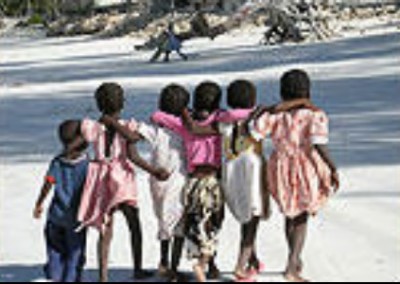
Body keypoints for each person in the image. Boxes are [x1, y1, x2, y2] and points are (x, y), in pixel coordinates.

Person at [181, 80, 314, 282]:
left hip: (231, 170)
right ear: (252, 99)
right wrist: (303, 102)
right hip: (251, 169)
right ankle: (240, 267)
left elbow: (196, 130)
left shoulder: (223, 119)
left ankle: (252, 260)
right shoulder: (259, 116)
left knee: (245, 217)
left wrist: (183, 110)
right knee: (252, 220)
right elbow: (277, 110)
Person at [69, 82, 169, 282]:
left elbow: (74, 147)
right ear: (122, 103)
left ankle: (103, 276)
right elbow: (133, 153)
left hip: (99, 177)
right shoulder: (126, 127)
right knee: (134, 222)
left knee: (105, 227)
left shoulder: (91, 126)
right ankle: (137, 268)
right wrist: (154, 171)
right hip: (121, 177)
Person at [249, 70, 340, 282]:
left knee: (291, 215)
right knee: (301, 218)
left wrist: (265, 110)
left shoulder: (275, 115)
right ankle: (291, 266)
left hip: (280, 167)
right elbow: (319, 145)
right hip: (305, 167)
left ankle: (294, 260)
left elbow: (255, 132)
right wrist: (332, 168)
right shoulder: (314, 115)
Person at [99, 84, 190, 282]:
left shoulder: (154, 130)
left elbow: (134, 136)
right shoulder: (185, 130)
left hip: (157, 183)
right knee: (178, 224)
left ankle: (164, 263)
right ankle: (171, 268)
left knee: (163, 222)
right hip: (177, 181)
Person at [33, 120, 89, 282]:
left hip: (56, 216)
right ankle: (71, 278)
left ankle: (54, 272)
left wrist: (39, 203)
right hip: (77, 219)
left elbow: (48, 183)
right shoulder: (87, 165)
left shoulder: (57, 162)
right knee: (75, 252)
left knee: (54, 249)